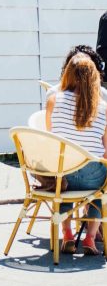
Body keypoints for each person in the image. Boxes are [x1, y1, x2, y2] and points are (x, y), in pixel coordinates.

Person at [45, 51, 107, 255]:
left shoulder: (54, 100)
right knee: (98, 192)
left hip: (65, 172)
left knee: (62, 191)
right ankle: (90, 238)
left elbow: (50, 138)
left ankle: (68, 236)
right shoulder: (104, 107)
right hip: (93, 175)